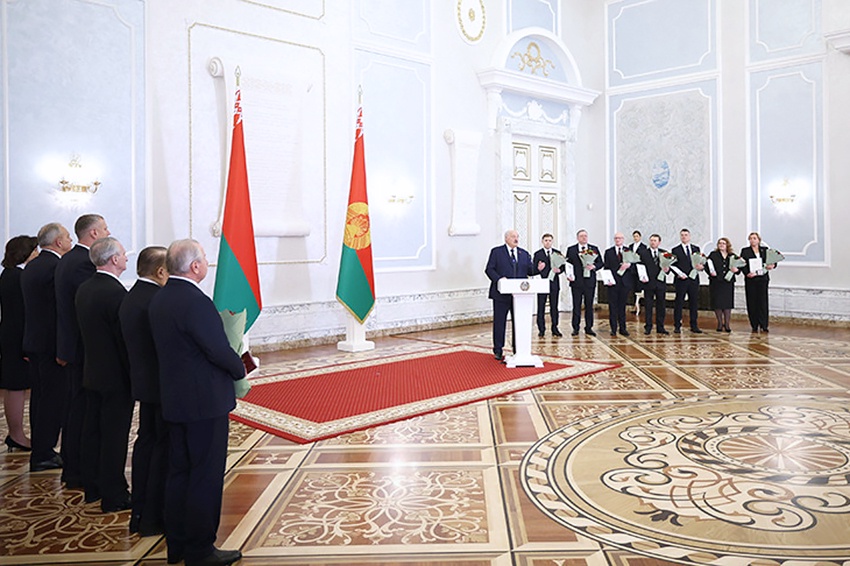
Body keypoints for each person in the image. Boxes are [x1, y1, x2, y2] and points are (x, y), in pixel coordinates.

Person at [149, 239, 244, 566]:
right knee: (205, 475)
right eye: (203, 257)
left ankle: (177, 544)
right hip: (204, 403)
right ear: (194, 266)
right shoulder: (195, 302)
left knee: (179, 472)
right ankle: (201, 550)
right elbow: (217, 350)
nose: (206, 262)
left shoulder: (161, 297)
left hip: (175, 399)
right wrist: (240, 367)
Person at [75, 237, 133, 513]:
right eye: (122, 254)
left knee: (93, 431)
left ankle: (93, 487)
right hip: (115, 377)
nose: (126, 258)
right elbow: (123, 341)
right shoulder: (116, 294)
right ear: (113, 259)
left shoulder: (85, 288)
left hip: (92, 372)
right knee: (114, 437)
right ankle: (114, 494)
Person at [54, 213, 110, 489]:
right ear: (94, 233)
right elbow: (88, 308)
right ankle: (77, 469)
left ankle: (75, 467)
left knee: (76, 408)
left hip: (74, 345)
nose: (108, 231)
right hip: (81, 347)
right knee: (81, 410)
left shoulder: (69, 259)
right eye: (105, 228)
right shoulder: (83, 263)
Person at [119, 246, 169, 536]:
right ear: (160, 272)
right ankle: (152, 516)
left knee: (146, 443)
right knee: (159, 449)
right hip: (161, 385)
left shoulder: (133, 295)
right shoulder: (155, 301)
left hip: (144, 383)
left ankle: (141, 511)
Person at [21, 222, 73, 472]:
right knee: (53, 400)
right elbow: (59, 311)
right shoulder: (56, 267)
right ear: (58, 242)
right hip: (51, 344)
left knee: (40, 399)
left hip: (34, 341)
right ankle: (43, 453)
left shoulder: (32, 265)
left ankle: (41, 450)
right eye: (67, 237)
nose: (70, 240)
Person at [0, 235, 39, 451]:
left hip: (11, 335)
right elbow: (23, 314)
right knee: (16, 387)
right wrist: (27, 344)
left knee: (14, 386)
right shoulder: (18, 277)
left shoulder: (9, 274)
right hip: (17, 337)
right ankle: (16, 435)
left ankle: (16, 434)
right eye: (35, 251)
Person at [485, 229, 534, 361]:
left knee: (519, 322)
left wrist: (539, 268)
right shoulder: (497, 252)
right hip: (501, 294)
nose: (516, 239)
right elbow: (489, 269)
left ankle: (518, 349)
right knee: (499, 322)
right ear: (506, 238)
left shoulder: (523, 254)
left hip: (520, 296)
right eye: (513, 236)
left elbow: (530, 270)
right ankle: (498, 349)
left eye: (517, 236)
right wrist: (499, 279)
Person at [565, 229, 603, 336]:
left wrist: (594, 266)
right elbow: (568, 264)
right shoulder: (571, 249)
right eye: (581, 236)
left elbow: (601, 263)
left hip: (589, 282)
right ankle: (575, 328)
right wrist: (569, 275)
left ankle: (589, 327)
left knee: (589, 305)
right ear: (577, 238)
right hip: (576, 282)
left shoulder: (594, 249)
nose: (584, 238)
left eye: (585, 236)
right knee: (576, 305)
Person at [740, 231, 775, 333]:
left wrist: (772, 265)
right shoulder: (745, 251)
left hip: (762, 280)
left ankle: (764, 324)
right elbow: (742, 264)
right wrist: (747, 273)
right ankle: (754, 324)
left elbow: (772, 261)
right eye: (750, 238)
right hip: (751, 280)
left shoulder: (765, 250)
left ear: (759, 240)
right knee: (752, 302)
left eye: (754, 238)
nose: (752, 240)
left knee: (763, 302)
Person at [670, 228, 703, 333]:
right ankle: (677, 325)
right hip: (681, 280)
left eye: (686, 235)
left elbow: (700, 262)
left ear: (689, 236)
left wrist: (701, 267)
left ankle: (694, 325)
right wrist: (678, 274)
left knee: (694, 303)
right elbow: (672, 265)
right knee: (679, 303)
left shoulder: (695, 248)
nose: (684, 237)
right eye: (682, 235)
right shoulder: (675, 250)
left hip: (693, 280)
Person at [602, 232, 635, 336]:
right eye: (616, 238)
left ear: (623, 239)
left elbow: (635, 267)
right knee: (613, 306)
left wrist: (629, 266)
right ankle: (613, 328)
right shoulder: (609, 252)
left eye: (620, 238)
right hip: (613, 283)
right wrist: (608, 280)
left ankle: (623, 328)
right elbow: (606, 267)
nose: (618, 240)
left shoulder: (629, 251)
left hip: (625, 283)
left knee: (622, 306)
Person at [637, 234, 670, 335]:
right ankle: (648, 326)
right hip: (648, 283)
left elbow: (668, 268)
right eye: (651, 240)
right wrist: (642, 277)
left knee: (661, 305)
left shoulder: (664, 253)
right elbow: (639, 267)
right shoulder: (643, 253)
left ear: (659, 242)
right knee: (648, 306)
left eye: (655, 240)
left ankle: (660, 327)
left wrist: (667, 270)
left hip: (660, 283)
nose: (653, 242)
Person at [532, 233, 563, 337]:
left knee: (554, 307)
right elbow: (533, 269)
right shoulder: (538, 254)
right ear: (542, 242)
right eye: (546, 240)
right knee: (541, 306)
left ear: (552, 241)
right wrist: (538, 268)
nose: (548, 242)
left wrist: (559, 270)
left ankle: (555, 328)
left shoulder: (557, 253)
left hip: (554, 283)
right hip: (542, 283)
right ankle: (541, 329)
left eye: (550, 240)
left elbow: (563, 266)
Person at [707, 237, 739, 332]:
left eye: (723, 243)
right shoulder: (713, 255)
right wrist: (711, 273)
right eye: (720, 243)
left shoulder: (732, 256)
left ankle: (727, 324)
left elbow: (739, 267)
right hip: (716, 282)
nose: (721, 245)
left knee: (727, 304)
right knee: (718, 303)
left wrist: (736, 270)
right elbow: (707, 265)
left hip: (728, 282)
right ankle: (720, 323)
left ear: (727, 245)